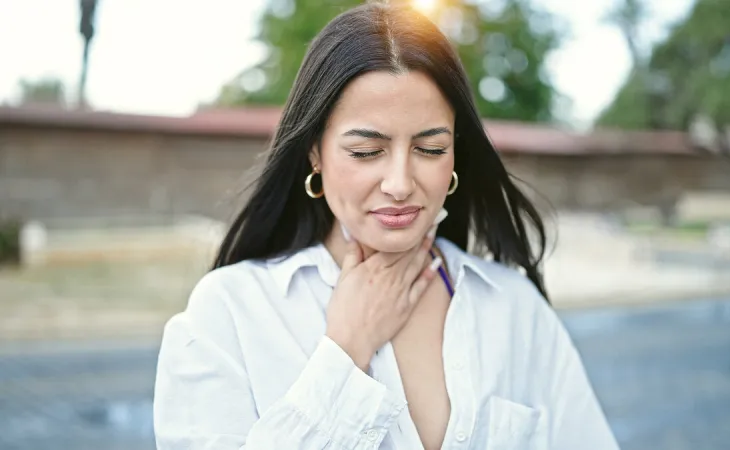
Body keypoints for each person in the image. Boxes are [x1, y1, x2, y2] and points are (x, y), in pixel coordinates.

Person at [152, 2, 619, 449]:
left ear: (456, 151)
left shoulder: (516, 310)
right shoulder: (230, 314)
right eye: (366, 151)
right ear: (315, 151)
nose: (399, 183)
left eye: (430, 149)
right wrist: (346, 352)